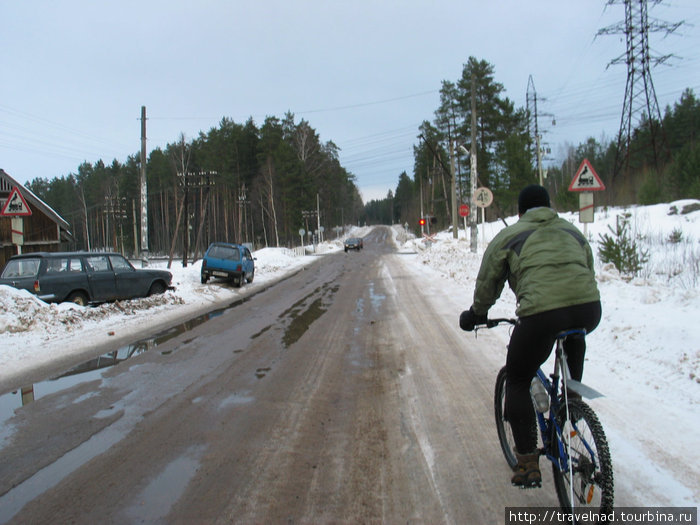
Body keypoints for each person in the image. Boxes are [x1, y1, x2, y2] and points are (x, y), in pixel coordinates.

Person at [459, 184, 601, 488]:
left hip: (541, 315)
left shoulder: (511, 235)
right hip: (589, 309)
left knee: (519, 378)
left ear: (521, 211)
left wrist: (477, 314)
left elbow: (488, 281)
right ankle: (571, 403)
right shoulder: (572, 230)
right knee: (575, 332)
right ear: (549, 206)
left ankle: (526, 463)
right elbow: (587, 268)